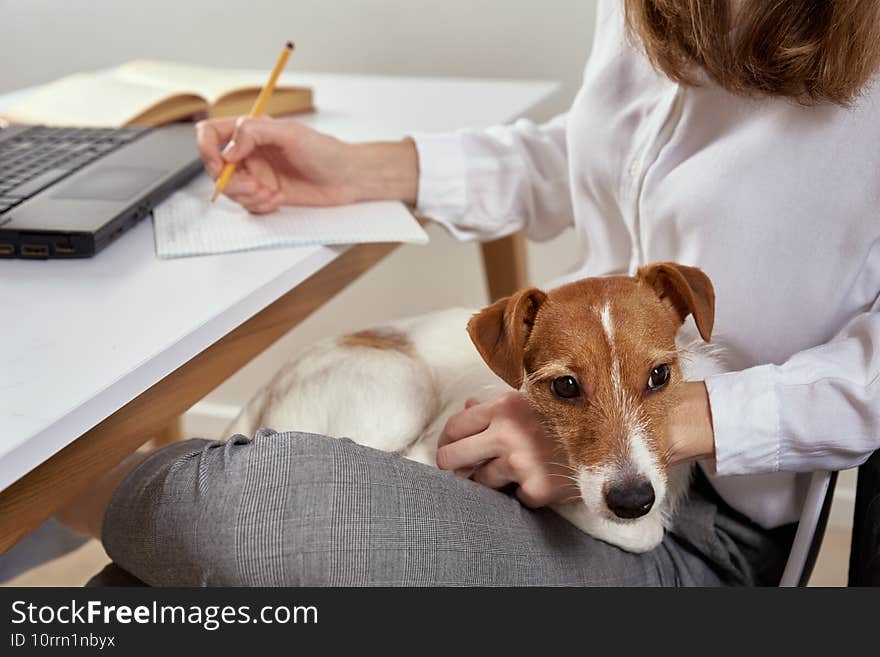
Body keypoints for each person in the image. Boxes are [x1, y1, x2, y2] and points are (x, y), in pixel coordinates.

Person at [61, 0, 880, 586]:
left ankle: (69, 489)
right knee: (148, 597)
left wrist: (653, 422)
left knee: (232, 517)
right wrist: (361, 168)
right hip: (542, 414)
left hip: (698, 527)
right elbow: (597, 159)